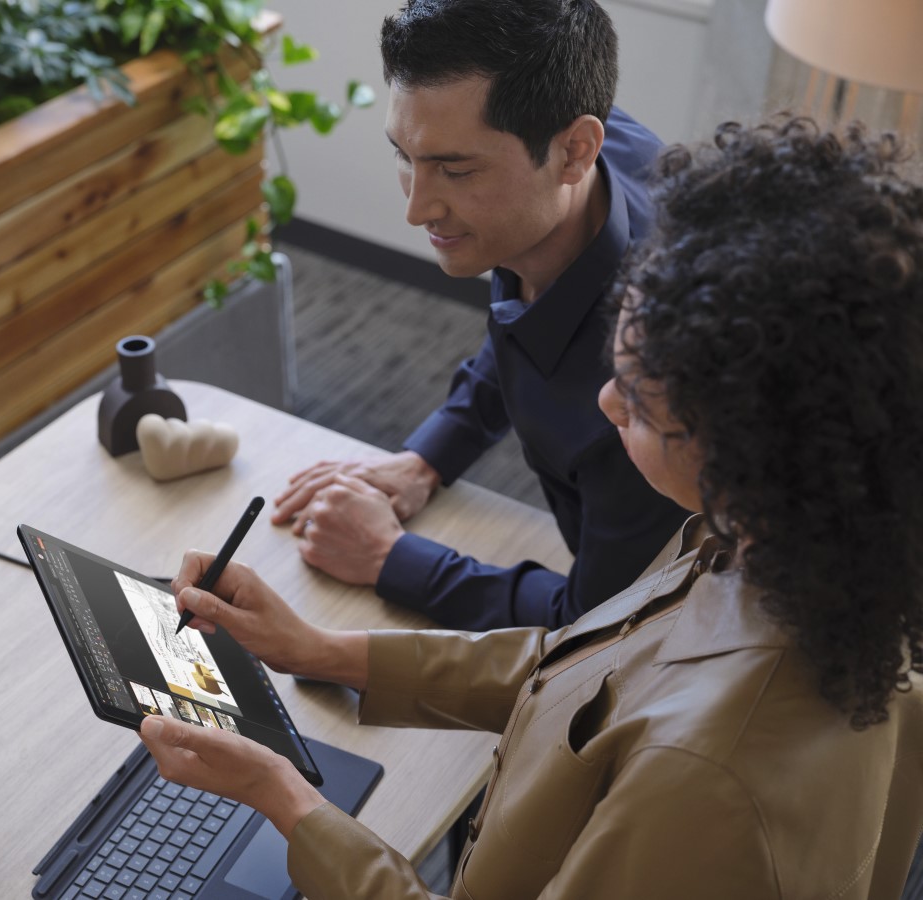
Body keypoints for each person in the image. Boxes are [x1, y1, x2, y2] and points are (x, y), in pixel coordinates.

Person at [140, 116, 923, 897]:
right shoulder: (761, 545)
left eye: (647, 407)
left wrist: (284, 798)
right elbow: (588, 670)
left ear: (766, 450)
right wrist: (321, 650)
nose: (607, 402)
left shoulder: (700, 783)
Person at [271, 0, 687, 631]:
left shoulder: (645, 394)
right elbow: (529, 316)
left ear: (576, 150)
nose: (417, 208)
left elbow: (607, 622)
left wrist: (390, 557)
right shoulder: (588, 150)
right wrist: (428, 459)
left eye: (456, 171)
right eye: (405, 157)